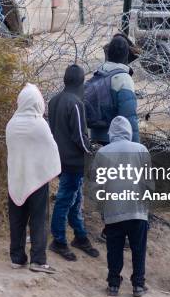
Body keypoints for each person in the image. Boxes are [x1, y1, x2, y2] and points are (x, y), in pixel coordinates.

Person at [89, 116, 152, 297]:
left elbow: (95, 185)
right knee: (138, 248)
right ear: (129, 132)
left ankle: (113, 284)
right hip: (137, 211)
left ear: (112, 133)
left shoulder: (103, 153)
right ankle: (138, 285)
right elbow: (149, 182)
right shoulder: (141, 149)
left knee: (114, 249)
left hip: (113, 211)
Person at [6, 83, 60, 274]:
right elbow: (52, 151)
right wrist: (50, 171)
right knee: (38, 219)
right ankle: (38, 260)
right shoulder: (40, 125)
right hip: (37, 180)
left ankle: (17, 257)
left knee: (16, 219)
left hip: (16, 178)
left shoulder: (11, 124)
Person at [47, 64, 100, 261]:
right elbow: (79, 136)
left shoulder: (54, 101)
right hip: (74, 161)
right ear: (81, 82)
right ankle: (59, 241)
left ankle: (80, 236)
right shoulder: (76, 103)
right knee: (66, 200)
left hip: (59, 158)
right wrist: (91, 153)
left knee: (74, 199)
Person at [88, 35, 140, 145]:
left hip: (95, 136)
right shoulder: (123, 79)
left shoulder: (100, 72)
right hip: (115, 140)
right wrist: (136, 147)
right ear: (126, 56)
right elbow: (129, 117)